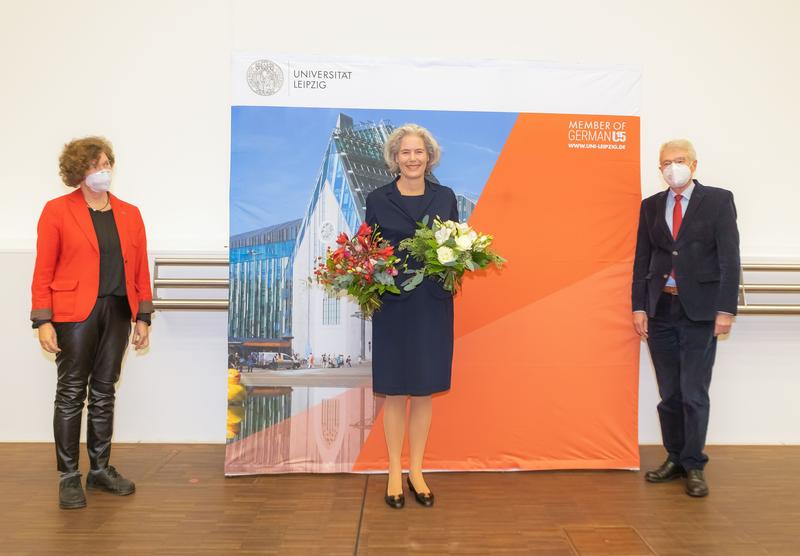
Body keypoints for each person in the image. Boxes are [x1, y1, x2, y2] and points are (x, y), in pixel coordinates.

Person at [31, 136, 153, 509]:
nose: (104, 170)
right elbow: (43, 270)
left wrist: (143, 315)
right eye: (95, 164)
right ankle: (69, 476)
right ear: (79, 171)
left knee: (104, 392)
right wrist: (43, 320)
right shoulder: (56, 211)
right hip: (72, 314)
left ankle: (99, 470)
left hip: (117, 310)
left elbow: (141, 267)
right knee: (71, 393)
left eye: (106, 163)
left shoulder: (130, 213)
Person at [632, 139, 740, 498]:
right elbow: (642, 262)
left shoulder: (719, 201)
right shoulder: (650, 207)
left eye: (678, 161)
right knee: (670, 394)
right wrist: (639, 307)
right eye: (665, 162)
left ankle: (694, 464)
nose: (671, 167)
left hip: (701, 312)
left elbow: (729, 258)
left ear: (694, 165)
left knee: (694, 393)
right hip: (660, 309)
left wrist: (725, 310)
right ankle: (675, 457)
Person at [365, 124, 459, 509]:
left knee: (423, 390)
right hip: (393, 303)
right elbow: (367, 250)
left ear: (429, 156)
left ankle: (416, 470)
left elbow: (454, 246)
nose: (412, 158)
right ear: (394, 158)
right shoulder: (377, 198)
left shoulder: (446, 197)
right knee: (395, 390)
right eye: (405, 152)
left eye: (418, 152)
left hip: (432, 303)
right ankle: (392, 470)